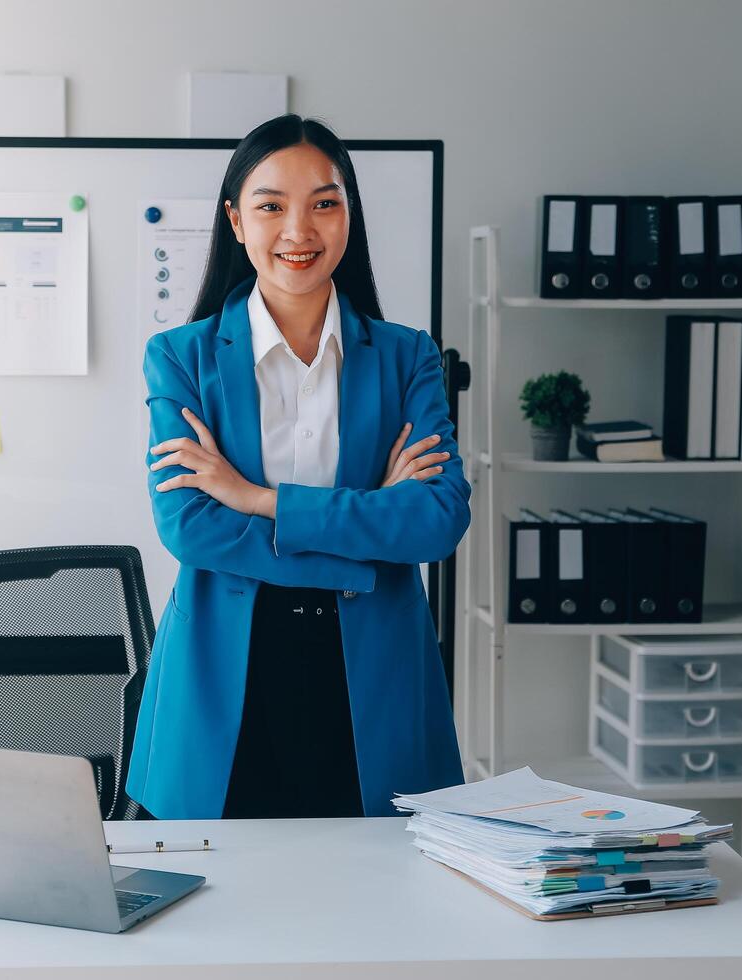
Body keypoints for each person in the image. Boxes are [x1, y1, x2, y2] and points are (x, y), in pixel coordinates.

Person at [125, 114, 468, 820]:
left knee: (372, 915)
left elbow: (435, 523)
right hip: (225, 683)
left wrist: (257, 498)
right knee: (218, 917)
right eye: (271, 205)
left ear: (349, 214)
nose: (298, 230)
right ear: (236, 219)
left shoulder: (409, 357)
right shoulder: (181, 358)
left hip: (372, 682)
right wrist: (369, 535)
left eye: (324, 202)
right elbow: (191, 528)